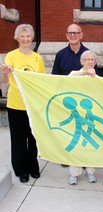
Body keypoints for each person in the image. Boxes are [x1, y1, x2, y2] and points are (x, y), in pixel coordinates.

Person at [0, 24, 46, 183]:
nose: (26, 39)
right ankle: (21, 170)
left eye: (28, 36)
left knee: (33, 138)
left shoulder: (37, 58)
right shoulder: (11, 56)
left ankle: (33, 167)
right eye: (22, 36)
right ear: (17, 38)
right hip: (16, 104)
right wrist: (5, 74)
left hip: (32, 105)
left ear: (32, 38)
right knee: (18, 139)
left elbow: (41, 81)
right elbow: (5, 81)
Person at [52, 23, 99, 167]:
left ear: (81, 35)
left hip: (85, 101)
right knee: (68, 130)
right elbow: (56, 77)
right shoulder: (60, 54)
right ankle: (67, 158)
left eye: (76, 33)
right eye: (70, 33)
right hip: (67, 100)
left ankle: (84, 159)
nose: (73, 35)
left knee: (84, 129)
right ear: (66, 35)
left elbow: (95, 78)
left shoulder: (89, 54)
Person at [67, 50, 98, 185]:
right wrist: (85, 72)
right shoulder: (75, 73)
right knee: (76, 144)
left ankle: (90, 172)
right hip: (76, 116)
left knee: (90, 143)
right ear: (81, 62)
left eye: (92, 59)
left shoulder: (98, 78)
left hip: (91, 116)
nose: (90, 62)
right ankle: (74, 174)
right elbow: (68, 80)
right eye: (87, 59)